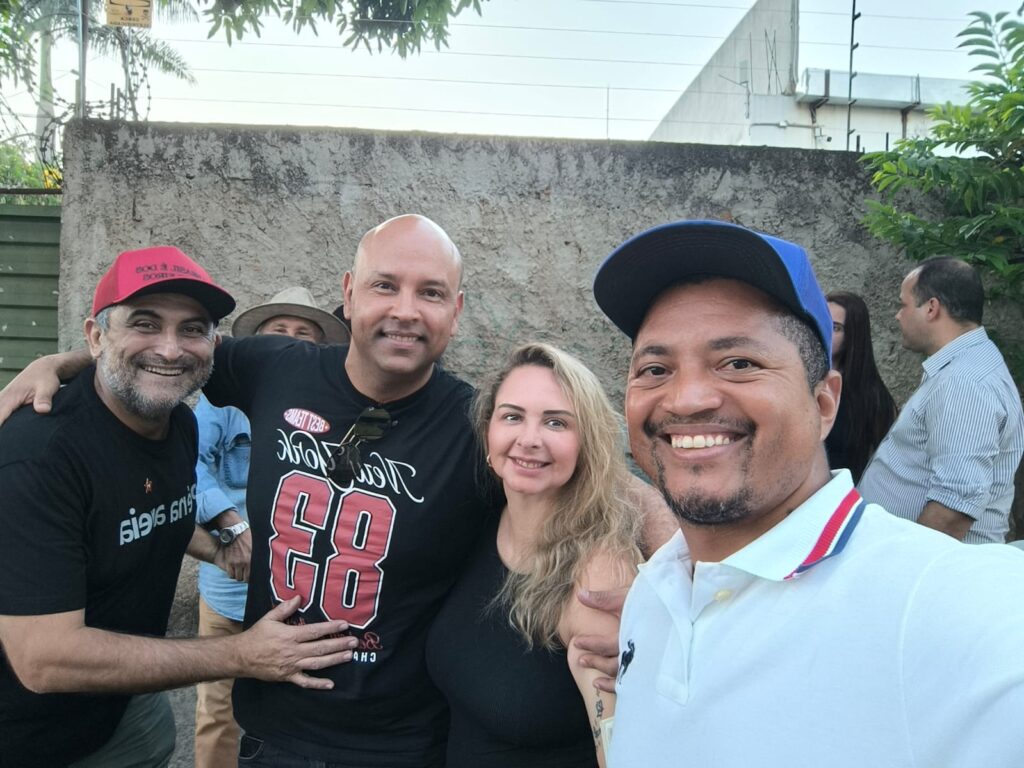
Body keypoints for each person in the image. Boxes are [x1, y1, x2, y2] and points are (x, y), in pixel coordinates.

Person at [0, 215, 650, 766]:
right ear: (348, 294)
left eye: (430, 292)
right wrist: (63, 362)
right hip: (271, 731)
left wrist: (680, 566)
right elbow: (171, 356)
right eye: (385, 285)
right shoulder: (271, 367)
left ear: (455, 311)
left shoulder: (475, 424)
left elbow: (593, 476)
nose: (404, 310)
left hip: (402, 742)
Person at [591, 219, 1024, 767]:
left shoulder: (944, 606)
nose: (687, 399)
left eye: (739, 363)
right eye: (655, 368)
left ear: (823, 403)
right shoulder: (654, 589)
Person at [0, 246, 356, 768]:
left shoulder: (177, 423)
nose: (170, 349)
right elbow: (43, 659)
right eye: (145, 323)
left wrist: (217, 549)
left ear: (213, 344)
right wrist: (241, 654)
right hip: (32, 734)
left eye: (191, 329)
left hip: (125, 703)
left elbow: (151, 512)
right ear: (95, 336)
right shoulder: (40, 456)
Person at [425, 343, 641, 768]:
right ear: (488, 431)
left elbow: (621, 751)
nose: (528, 439)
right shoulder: (482, 520)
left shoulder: (597, 574)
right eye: (512, 416)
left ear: (587, 442)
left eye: (556, 422)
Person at [193, 286, 350, 768]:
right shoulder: (221, 403)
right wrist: (231, 523)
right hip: (230, 589)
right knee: (218, 712)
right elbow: (186, 463)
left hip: (299, 599)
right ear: (255, 342)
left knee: (297, 713)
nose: (290, 341)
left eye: (304, 334)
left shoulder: (331, 407)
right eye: (279, 331)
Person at [859, 258, 1024, 543]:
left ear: (931, 308)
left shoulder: (965, 381)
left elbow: (953, 509)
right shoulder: (963, 368)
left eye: (903, 305)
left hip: (925, 564)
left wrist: (905, 564)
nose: (898, 316)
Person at [824, 290, 897, 482]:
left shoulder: (872, 396)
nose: (825, 331)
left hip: (841, 493)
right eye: (822, 321)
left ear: (853, 335)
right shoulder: (802, 378)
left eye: (835, 327)